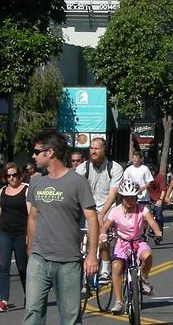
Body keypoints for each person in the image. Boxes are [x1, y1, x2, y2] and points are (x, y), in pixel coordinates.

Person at [25, 130, 99, 325]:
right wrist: (30, 248)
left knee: (70, 318)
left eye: (36, 151)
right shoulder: (36, 183)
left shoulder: (77, 182)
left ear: (49, 153)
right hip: (39, 259)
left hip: (68, 262)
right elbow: (32, 217)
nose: (33, 155)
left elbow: (92, 219)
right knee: (32, 312)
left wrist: (92, 255)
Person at [102, 180, 163, 314]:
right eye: (127, 197)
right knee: (116, 266)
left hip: (137, 241)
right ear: (122, 198)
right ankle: (118, 302)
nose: (130, 200)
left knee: (148, 255)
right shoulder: (115, 211)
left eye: (133, 197)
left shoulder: (142, 209)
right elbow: (106, 225)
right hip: (121, 243)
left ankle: (144, 279)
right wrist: (103, 234)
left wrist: (157, 232)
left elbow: (151, 221)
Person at [74, 137, 124, 283]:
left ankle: (106, 268)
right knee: (84, 239)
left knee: (102, 237)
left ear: (104, 150)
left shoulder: (114, 168)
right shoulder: (82, 168)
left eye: (96, 148)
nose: (93, 151)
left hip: (106, 208)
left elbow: (113, 194)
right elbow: (75, 191)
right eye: (91, 148)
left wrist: (101, 216)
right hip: (87, 208)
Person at [0, 162, 28, 312]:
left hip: (21, 233)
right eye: (8, 176)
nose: (12, 178)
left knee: (22, 268)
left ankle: (29, 296)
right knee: (3, 266)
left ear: (19, 175)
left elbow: (32, 215)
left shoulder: (26, 190)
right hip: (5, 232)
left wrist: (30, 235)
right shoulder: (2, 191)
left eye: (14, 175)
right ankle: (3, 300)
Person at [146, 164, 166, 231]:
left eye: (152, 172)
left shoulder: (160, 177)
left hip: (158, 199)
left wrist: (160, 200)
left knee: (158, 216)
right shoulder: (145, 178)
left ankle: (159, 230)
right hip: (147, 199)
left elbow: (163, 190)